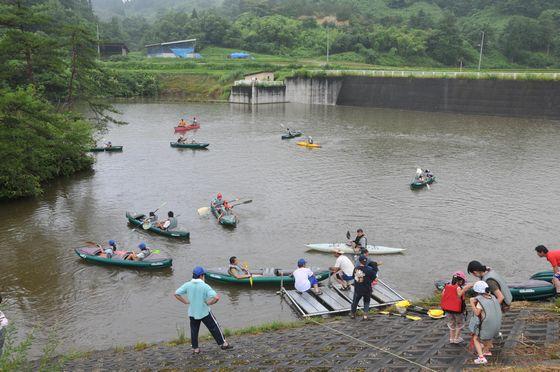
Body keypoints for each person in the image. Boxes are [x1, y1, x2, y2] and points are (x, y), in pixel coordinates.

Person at [174, 266, 232, 354]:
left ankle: (195, 349)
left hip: (192, 312)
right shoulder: (205, 286)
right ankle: (223, 344)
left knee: (194, 330)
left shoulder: (187, 285)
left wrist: (185, 302)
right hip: (204, 312)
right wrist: (210, 303)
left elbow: (176, 293)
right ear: (201, 276)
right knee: (214, 327)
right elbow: (216, 297)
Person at [468, 281, 502, 365]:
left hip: (487, 325)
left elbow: (477, 313)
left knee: (475, 338)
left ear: (478, 292)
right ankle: (486, 351)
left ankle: (481, 358)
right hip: (496, 325)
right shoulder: (492, 297)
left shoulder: (480, 302)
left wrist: (471, 303)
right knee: (489, 338)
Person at [440, 271, 473, 344]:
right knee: (459, 323)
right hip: (457, 310)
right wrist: (465, 288)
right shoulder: (458, 288)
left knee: (451, 323)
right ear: (461, 281)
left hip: (448, 309)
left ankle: (451, 338)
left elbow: (443, 295)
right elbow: (459, 295)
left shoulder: (447, 286)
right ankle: (456, 338)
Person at [350, 255, 377, 320]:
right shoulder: (370, 270)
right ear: (366, 261)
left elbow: (353, 277)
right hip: (367, 289)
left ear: (359, 261)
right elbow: (374, 278)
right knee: (366, 302)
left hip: (358, 289)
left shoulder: (356, 269)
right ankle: (365, 316)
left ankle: (353, 315)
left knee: (355, 302)